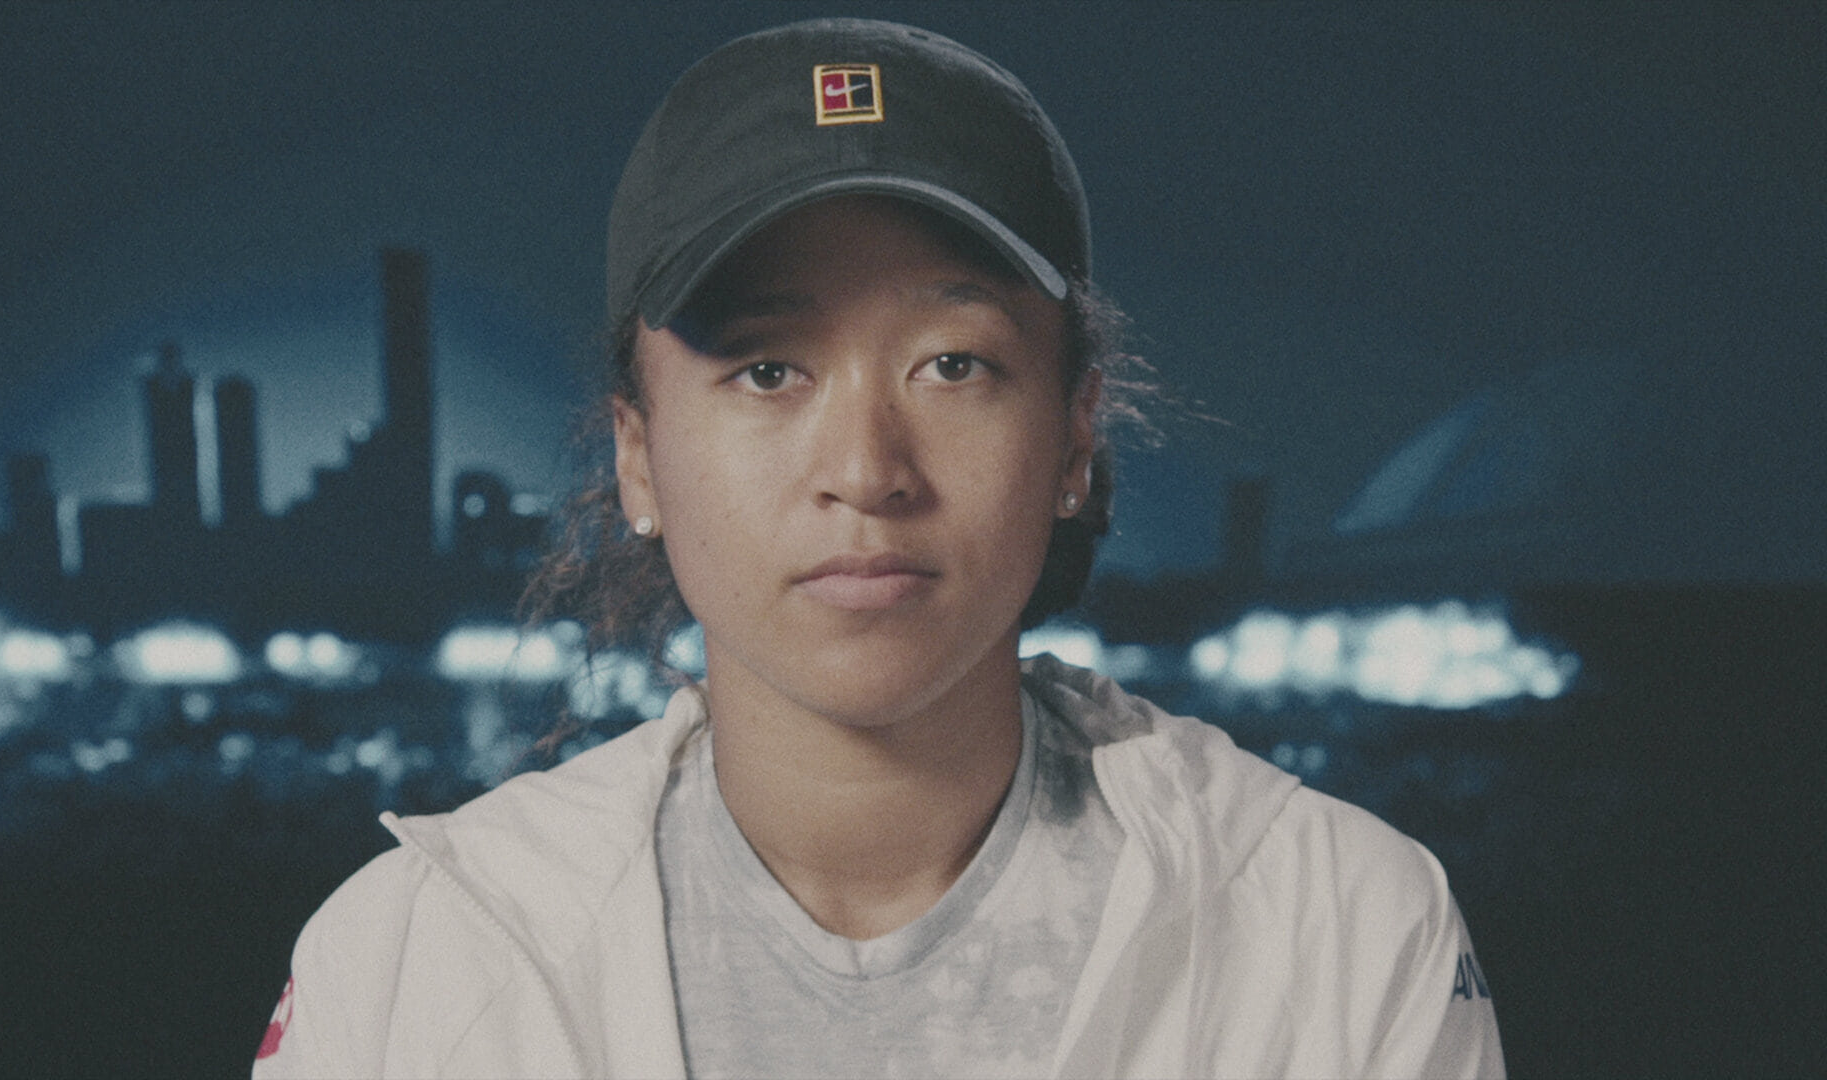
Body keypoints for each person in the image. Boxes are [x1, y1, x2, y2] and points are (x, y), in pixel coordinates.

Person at [254, 18, 1505, 1079]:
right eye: (768, 369)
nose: (865, 470)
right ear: (638, 457)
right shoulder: (420, 957)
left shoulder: (1336, 927)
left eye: (953, 365)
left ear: (1075, 438)